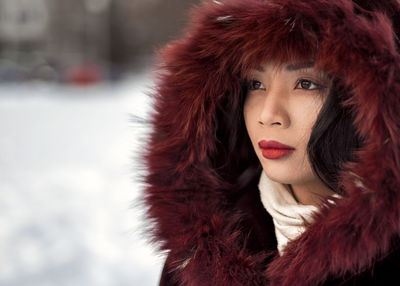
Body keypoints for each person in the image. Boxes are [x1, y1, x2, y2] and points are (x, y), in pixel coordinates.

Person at [142, 0, 400, 285]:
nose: (268, 115)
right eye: (256, 84)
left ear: (370, 99)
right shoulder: (200, 252)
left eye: (305, 83)